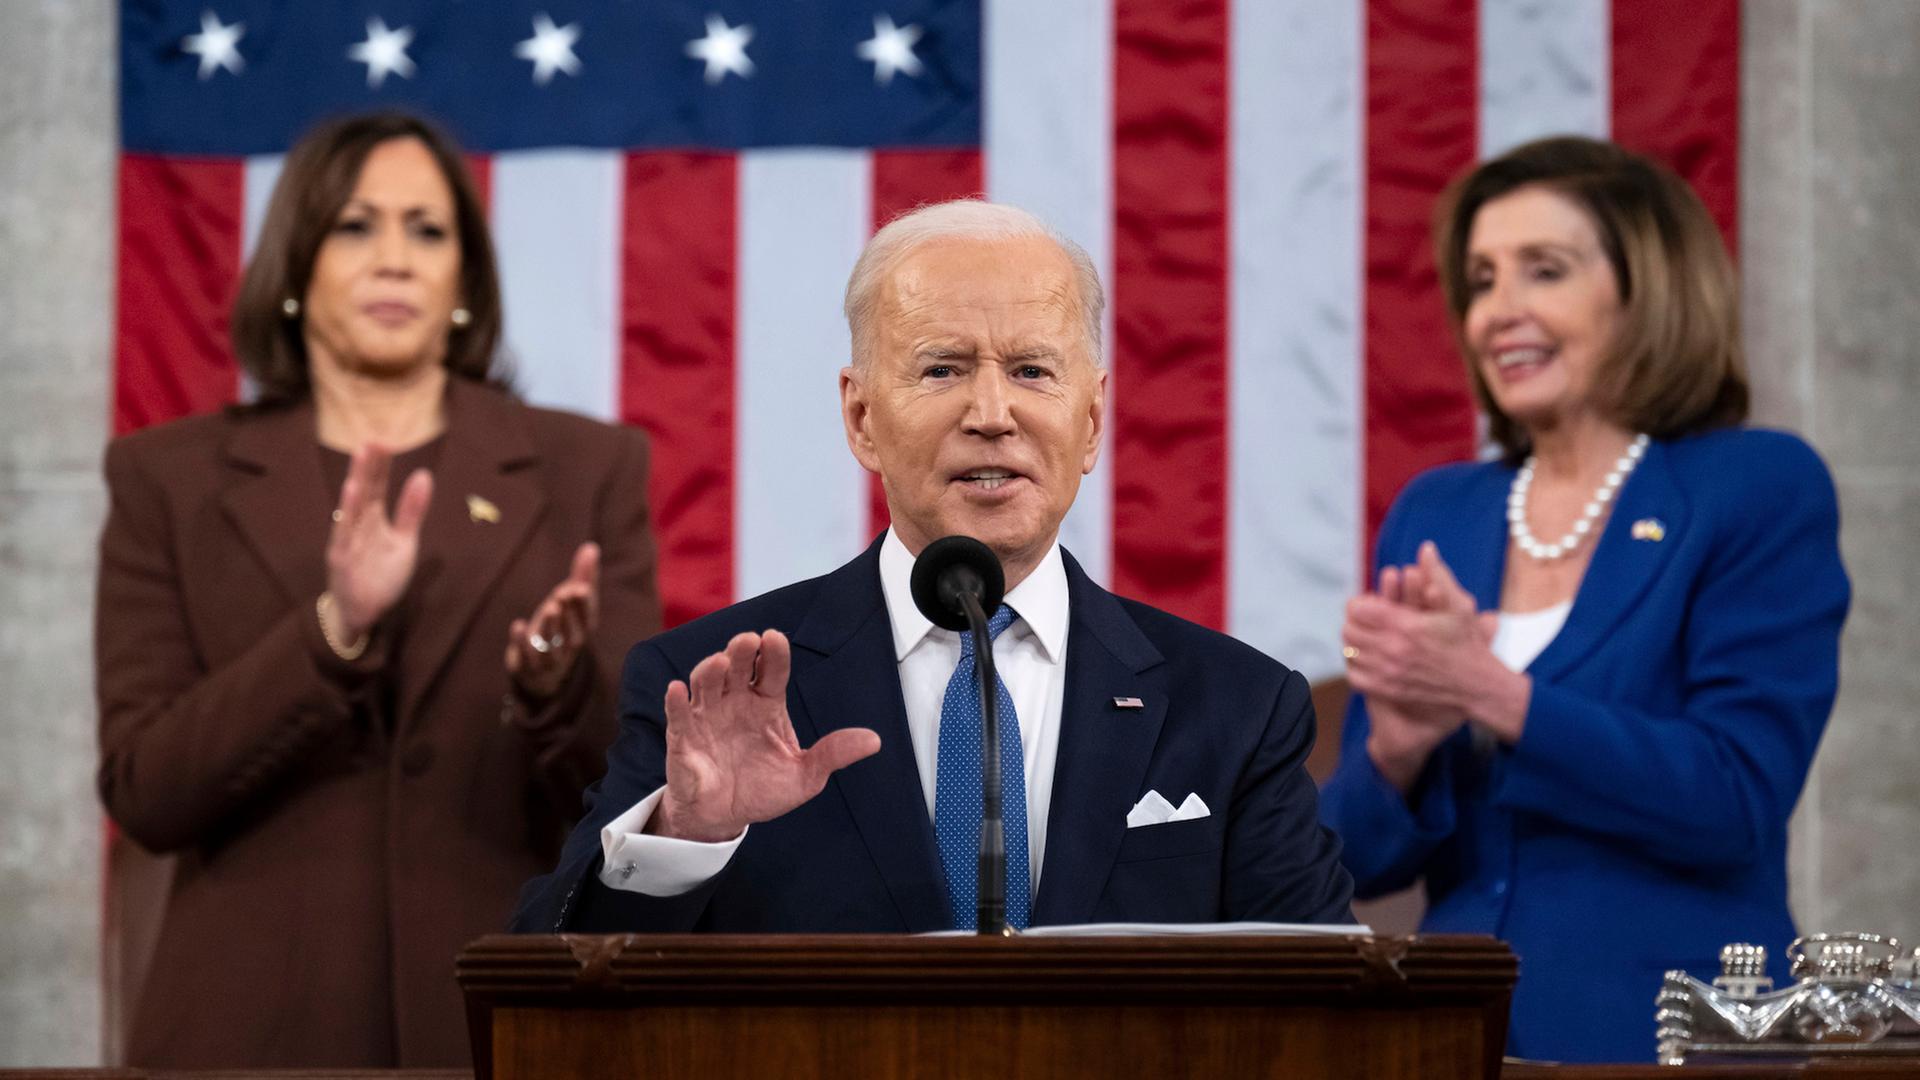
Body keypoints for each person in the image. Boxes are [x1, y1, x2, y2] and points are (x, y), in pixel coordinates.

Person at [511, 200, 1354, 935]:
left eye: (1031, 371)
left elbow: (1334, 1010)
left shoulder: (1237, 710)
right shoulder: (712, 690)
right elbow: (560, 982)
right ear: (862, 416)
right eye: (942, 369)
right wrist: (685, 839)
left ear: (1092, 420)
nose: (992, 414)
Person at [94, 111, 661, 1067]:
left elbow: (639, 797)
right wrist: (333, 630)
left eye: (427, 230)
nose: (394, 258)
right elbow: (147, 788)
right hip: (248, 1029)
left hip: (506, 1020)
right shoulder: (169, 479)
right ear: (296, 264)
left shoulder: (587, 469)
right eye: (357, 226)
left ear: (464, 280)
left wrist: (554, 688)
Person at [1318, 136, 1849, 1062]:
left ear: (1647, 291)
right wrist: (1397, 750)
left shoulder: (1755, 486)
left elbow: (1735, 798)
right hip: (1447, 1040)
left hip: (1670, 1037)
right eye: (1482, 279)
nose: (1499, 311)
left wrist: (1493, 695)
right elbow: (1350, 862)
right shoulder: (1439, 511)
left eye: (1544, 271)